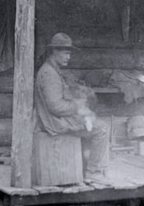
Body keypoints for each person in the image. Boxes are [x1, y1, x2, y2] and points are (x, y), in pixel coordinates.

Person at [34, 32, 110, 184]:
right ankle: (92, 172)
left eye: (69, 53)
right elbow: (55, 106)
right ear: (54, 51)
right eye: (66, 53)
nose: (69, 57)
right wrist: (78, 107)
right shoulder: (49, 74)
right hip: (55, 123)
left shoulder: (51, 70)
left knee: (92, 123)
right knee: (102, 128)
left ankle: (86, 168)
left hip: (57, 119)